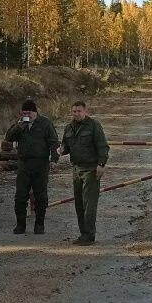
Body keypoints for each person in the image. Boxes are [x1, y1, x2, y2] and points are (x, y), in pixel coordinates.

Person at [3, 98, 59, 235]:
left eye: (29, 113)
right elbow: (8, 138)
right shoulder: (20, 124)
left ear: (35, 112)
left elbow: (54, 142)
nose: (27, 116)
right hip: (24, 163)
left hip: (41, 163)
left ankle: (39, 224)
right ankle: (20, 225)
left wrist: (54, 159)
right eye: (24, 113)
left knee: (41, 196)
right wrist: (18, 126)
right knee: (20, 195)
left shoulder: (45, 123)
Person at [59, 100, 109, 245]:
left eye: (79, 111)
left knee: (89, 203)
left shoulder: (94, 126)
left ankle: (89, 234)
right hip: (76, 169)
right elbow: (65, 146)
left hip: (91, 169)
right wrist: (61, 150)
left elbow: (102, 146)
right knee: (79, 203)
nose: (76, 114)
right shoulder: (69, 128)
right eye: (74, 111)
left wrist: (101, 164)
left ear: (85, 111)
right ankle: (83, 234)